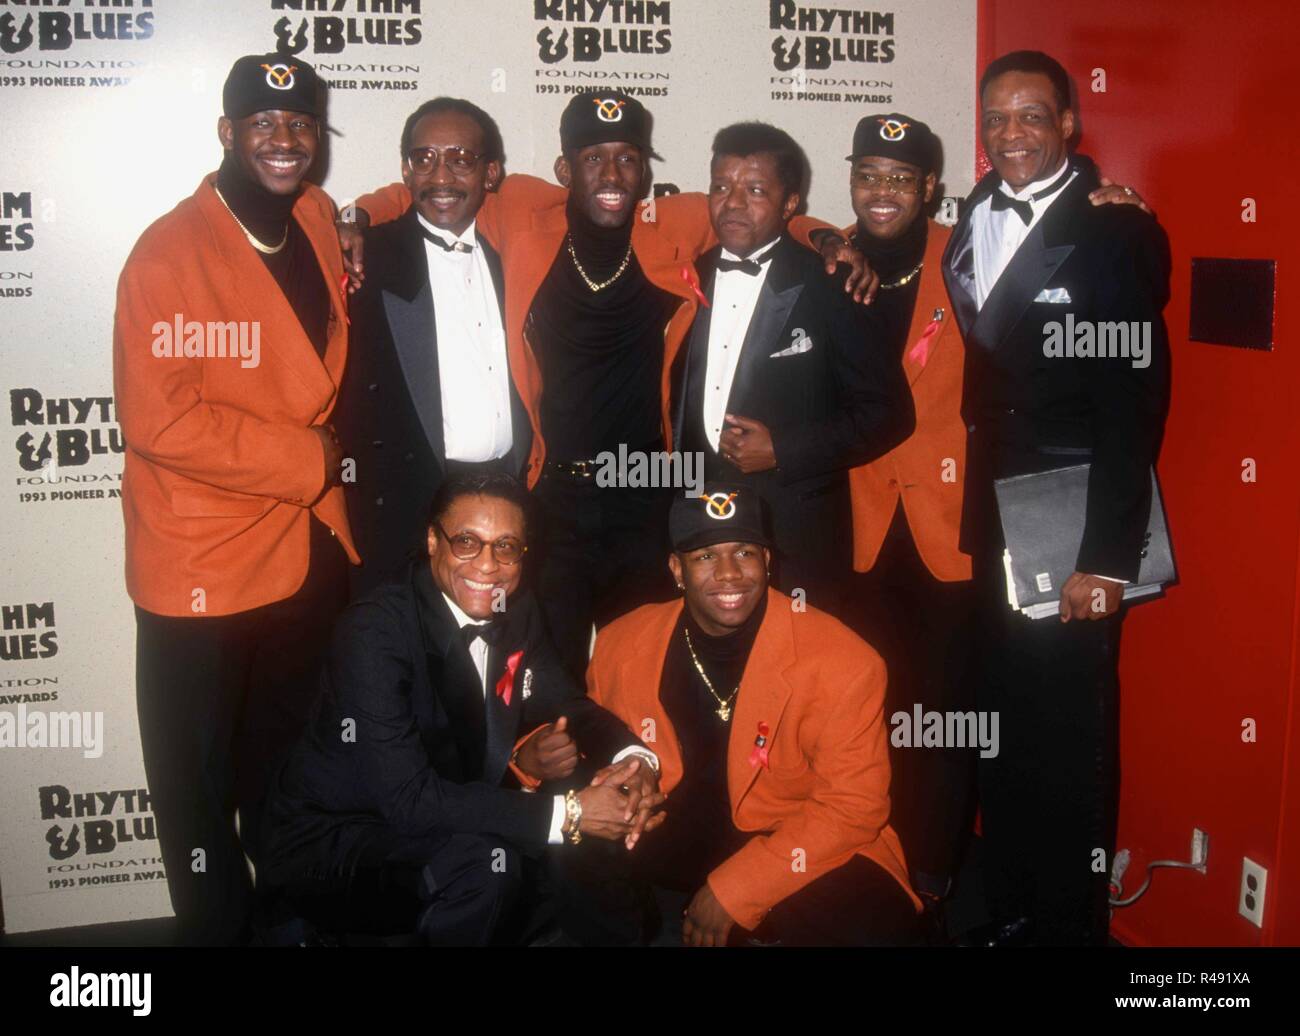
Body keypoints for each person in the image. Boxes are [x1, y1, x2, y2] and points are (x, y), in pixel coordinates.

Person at [344, 90, 872, 681]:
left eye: (627, 158)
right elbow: (434, 187)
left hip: (644, 491)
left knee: (639, 663)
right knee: (546, 667)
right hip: (551, 495)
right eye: (593, 158)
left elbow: (763, 208)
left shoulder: (671, 222)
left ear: (644, 170)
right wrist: (354, 216)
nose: (612, 175)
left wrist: (829, 239)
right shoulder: (522, 213)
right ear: (564, 168)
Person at [112, 54, 356, 945]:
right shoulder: (169, 253)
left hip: (300, 557)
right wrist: (307, 458)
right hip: (201, 569)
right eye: (264, 123)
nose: (285, 140)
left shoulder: (319, 217)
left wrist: (366, 223)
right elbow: (161, 421)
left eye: (301, 124)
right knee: (198, 797)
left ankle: (288, 923)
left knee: (284, 774)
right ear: (227, 132)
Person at [942, 50, 1172, 945]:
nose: (1011, 135)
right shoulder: (974, 209)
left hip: (1073, 529)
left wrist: (1106, 559)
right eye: (996, 119)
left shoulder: (1115, 231)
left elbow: (1134, 405)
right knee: (1005, 726)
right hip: (994, 520)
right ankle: (1012, 910)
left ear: (1069, 124)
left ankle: (1072, 929)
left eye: (1031, 116)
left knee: (1073, 744)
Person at [262, 473, 664, 946]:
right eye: (467, 542)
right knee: (490, 866)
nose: (488, 566)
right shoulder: (374, 631)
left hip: (441, 820)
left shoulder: (516, 609)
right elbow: (409, 802)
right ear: (433, 541)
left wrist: (635, 761)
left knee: (579, 832)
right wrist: (570, 813)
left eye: (506, 547)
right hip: (336, 839)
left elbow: (566, 703)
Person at [566, 484, 924, 947]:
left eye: (745, 552)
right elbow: (590, 741)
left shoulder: (845, 660)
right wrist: (532, 758)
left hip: (786, 836)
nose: (730, 573)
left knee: (876, 928)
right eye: (705, 556)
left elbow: (854, 806)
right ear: (676, 569)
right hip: (664, 836)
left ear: (767, 561)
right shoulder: (621, 641)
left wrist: (738, 889)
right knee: (568, 849)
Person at [672, 122, 913, 615]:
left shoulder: (832, 282)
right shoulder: (682, 275)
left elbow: (888, 414)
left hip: (796, 535)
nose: (733, 203)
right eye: (721, 187)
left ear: (790, 204)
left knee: (799, 660)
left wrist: (783, 449)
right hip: (700, 527)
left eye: (756, 190)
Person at [335, 97, 531, 597]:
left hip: (506, 496)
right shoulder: (364, 258)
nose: (440, 176)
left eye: (460, 159)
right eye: (424, 159)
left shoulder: (518, 253)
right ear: (405, 169)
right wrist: (353, 215)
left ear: (491, 173)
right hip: (404, 510)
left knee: (495, 639)